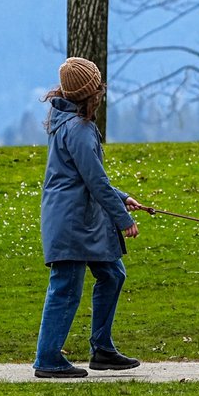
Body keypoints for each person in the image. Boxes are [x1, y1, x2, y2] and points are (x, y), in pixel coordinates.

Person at [33, 57, 146, 378]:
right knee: (66, 288)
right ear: (90, 93)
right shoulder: (79, 129)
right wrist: (123, 218)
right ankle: (48, 359)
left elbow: (89, 176)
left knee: (113, 275)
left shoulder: (66, 122)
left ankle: (103, 349)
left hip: (80, 220)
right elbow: (95, 181)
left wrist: (123, 197)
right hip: (72, 223)